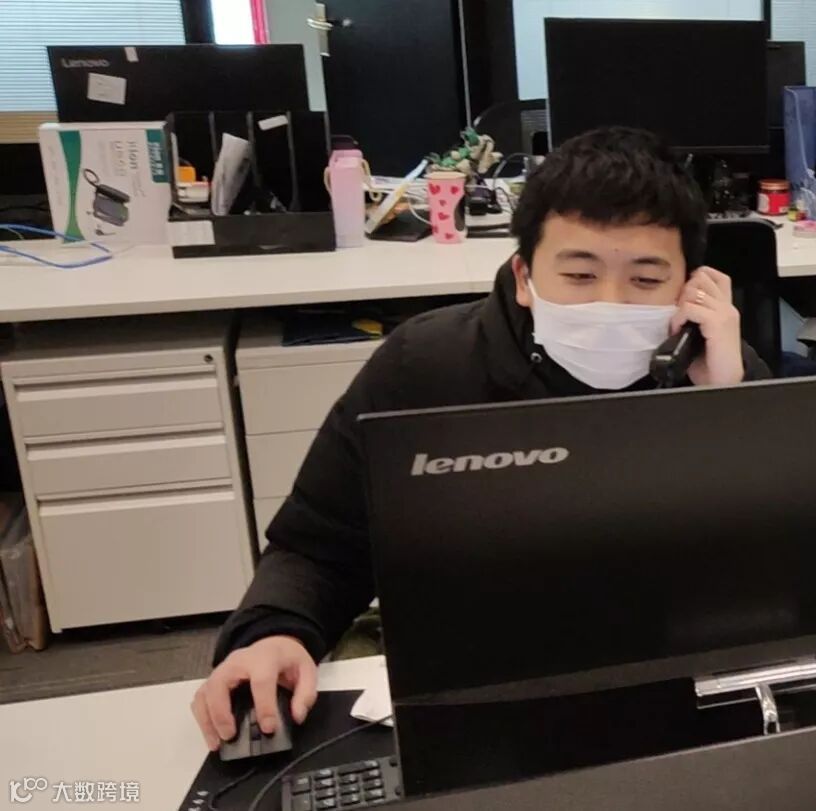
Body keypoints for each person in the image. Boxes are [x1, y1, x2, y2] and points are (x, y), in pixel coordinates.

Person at [190, 126, 770, 749]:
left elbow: (781, 572)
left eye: (646, 282)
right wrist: (274, 634)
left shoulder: (722, 373)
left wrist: (724, 407)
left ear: (692, 285)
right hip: (476, 689)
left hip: (667, 685)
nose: (610, 303)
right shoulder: (427, 367)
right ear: (524, 277)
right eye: (579, 275)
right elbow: (318, 546)